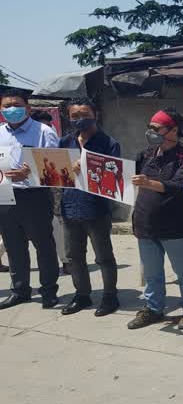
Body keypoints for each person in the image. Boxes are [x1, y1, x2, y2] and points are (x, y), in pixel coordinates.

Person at [128, 107, 183, 330]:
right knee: (152, 274)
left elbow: (179, 187)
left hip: (175, 225)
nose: (151, 131)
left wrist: (148, 182)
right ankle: (153, 308)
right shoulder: (146, 154)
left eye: (157, 127)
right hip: (145, 223)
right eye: (150, 127)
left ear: (173, 130)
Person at [58, 98, 121, 317]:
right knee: (74, 256)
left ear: (95, 115)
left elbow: (113, 177)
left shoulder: (109, 143)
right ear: (68, 117)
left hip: (96, 209)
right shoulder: (65, 142)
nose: (80, 119)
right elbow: (57, 173)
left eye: (85, 114)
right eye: (75, 116)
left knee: (103, 256)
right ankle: (82, 295)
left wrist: (86, 165)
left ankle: (110, 297)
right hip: (69, 206)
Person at [0, 88, 60, 309]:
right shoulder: (0, 133)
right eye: (7, 106)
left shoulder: (44, 132)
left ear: (28, 108)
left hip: (34, 195)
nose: (11, 109)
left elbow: (55, 171)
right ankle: (20, 290)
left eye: (16, 105)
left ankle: (48, 290)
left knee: (43, 244)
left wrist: (30, 173)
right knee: (14, 245)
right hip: (5, 196)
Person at [30, 110, 70, 275]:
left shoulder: (53, 139)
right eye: (44, 125)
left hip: (51, 189)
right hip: (29, 192)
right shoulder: (27, 140)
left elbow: (59, 169)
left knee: (57, 226)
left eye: (49, 124)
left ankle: (66, 261)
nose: (48, 128)